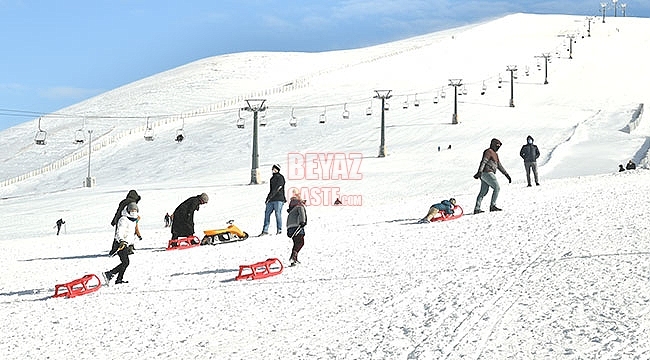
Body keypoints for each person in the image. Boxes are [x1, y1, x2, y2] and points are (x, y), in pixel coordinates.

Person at [103, 202, 140, 285]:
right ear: (127, 210)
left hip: (126, 244)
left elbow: (130, 233)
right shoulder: (123, 219)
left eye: (135, 209)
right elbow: (120, 231)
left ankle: (117, 278)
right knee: (125, 262)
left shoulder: (133, 220)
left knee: (125, 262)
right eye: (131, 210)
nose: (133, 211)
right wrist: (121, 240)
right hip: (120, 243)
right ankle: (110, 274)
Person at [473, 138, 511, 214]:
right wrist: (479, 171)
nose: (498, 148)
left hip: (484, 174)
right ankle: (492, 206)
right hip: (487, 172)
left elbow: (499, 166)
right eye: (497, 146)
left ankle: (477, 208)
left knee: (483, 191)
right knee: (497, 187)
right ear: (493, 145)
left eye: (499, 146)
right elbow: (484, 161)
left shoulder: (495, 154)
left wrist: (506, 175)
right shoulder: (489, 151)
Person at [110, 190, 142, 255]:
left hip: (120, 219)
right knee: (126, 234)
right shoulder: (131, 202)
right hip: (125, 220)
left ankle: (115, 249)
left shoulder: (125, 202)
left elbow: (118, 211)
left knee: (119, 235)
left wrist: (114, 220)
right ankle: (126, 249)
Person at [260, 164, 286, 236]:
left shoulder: (280, 177)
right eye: (273, 168)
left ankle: (279, 230)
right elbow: (271, 190)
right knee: (267, 214)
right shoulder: (272, 178)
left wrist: (270, 196)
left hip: (279, 199)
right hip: (271, 199)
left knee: (277, 214)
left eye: (275, 169)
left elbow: (278, 188)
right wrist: (268, 198)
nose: (273, 170)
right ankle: (265, 230)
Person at [286, 189, 307, 266]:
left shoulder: (292, 206)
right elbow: (301, 213)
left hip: (290, 226)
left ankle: (294, 259)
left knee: (296, 243)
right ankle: (294, 256)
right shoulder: (299, 206)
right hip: (297, 225)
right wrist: (302, 222)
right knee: (300, 242)